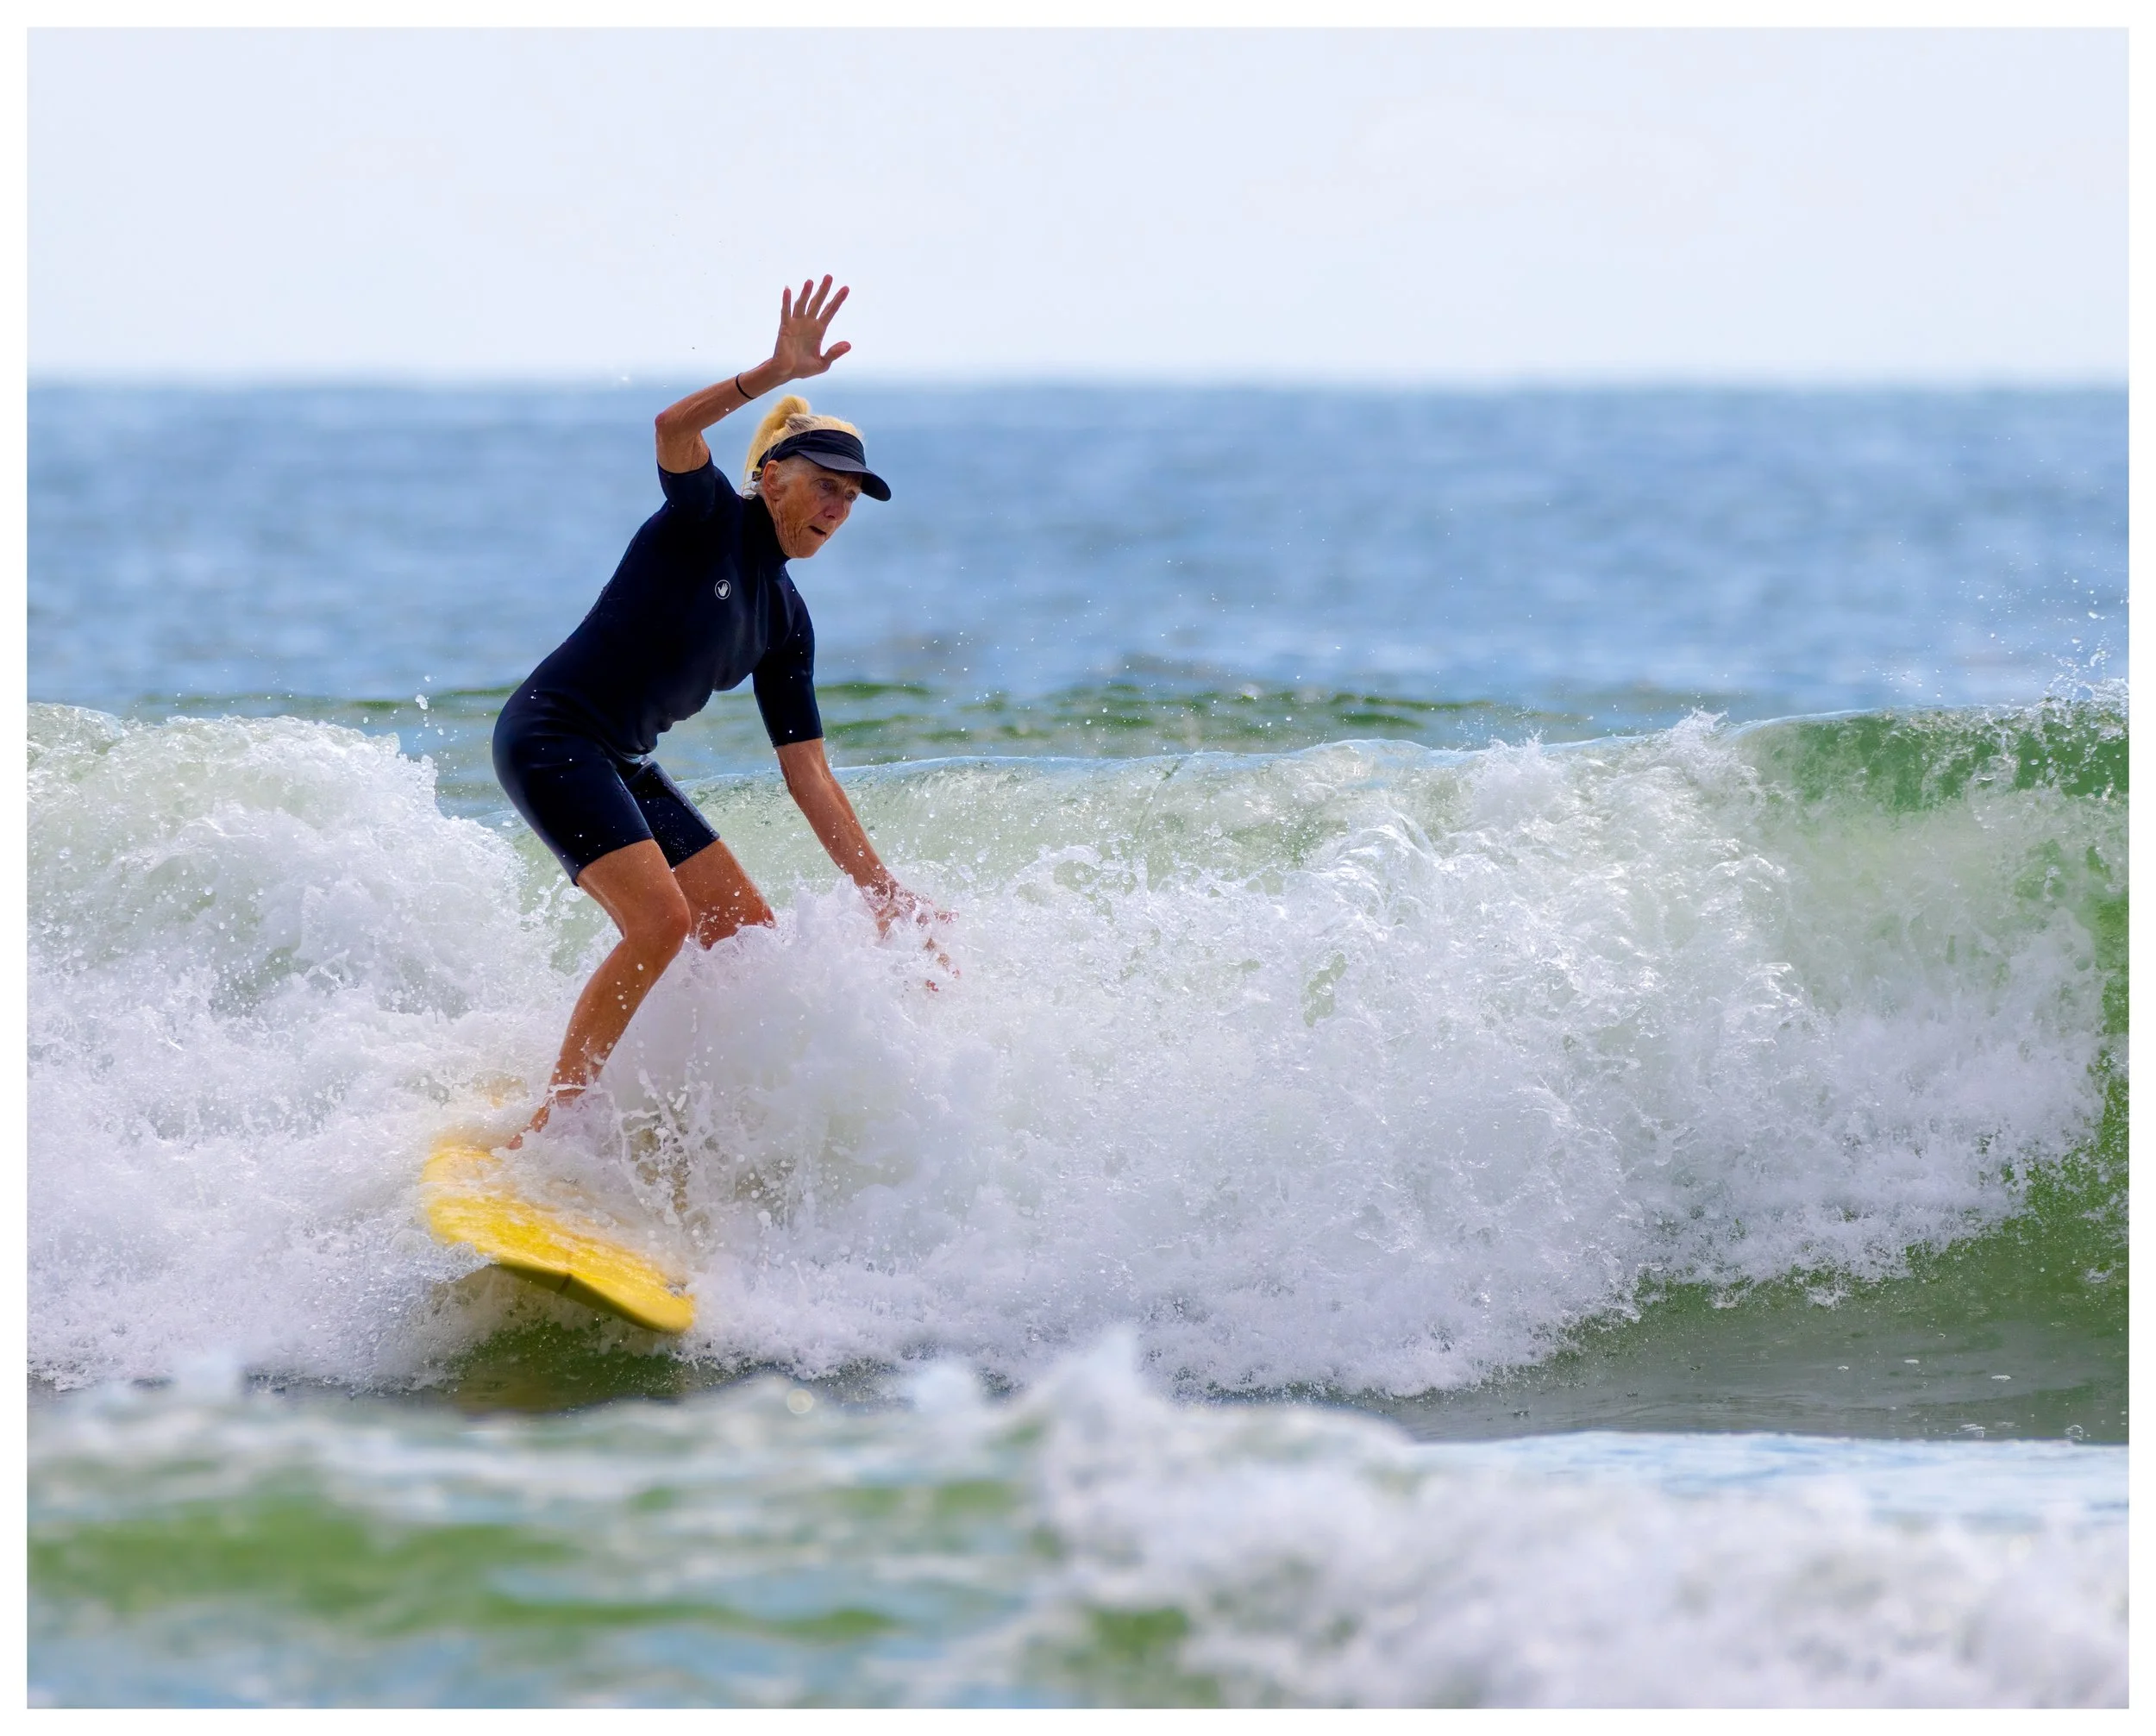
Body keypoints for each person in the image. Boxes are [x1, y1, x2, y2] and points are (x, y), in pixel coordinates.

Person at [492, 275, 941, 1141]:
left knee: (743, 941)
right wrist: (775, 370)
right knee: (662, 920)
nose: (838, 509)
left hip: (621, 760)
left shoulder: (786, 622)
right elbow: (672, 428)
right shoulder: (707, 520)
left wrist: (883, 894)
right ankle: (556, 1126)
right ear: (772, 478)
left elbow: (807, 774)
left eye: (850, 500)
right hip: (553, 738)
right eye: (825, 486)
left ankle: (670, 1116)